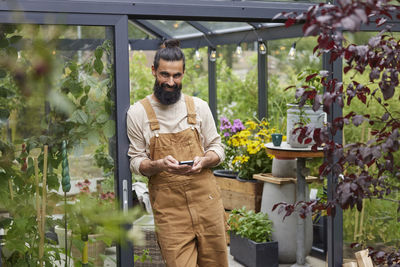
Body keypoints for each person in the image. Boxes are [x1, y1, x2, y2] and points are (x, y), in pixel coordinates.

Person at [127, 39, 229, 267]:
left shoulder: (199, 107)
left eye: (177, 76)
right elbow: (136, 161)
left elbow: (217, 148)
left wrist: (205, 160)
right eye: (164, 75)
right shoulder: (138, 113)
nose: (171, 82)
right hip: (170, 210)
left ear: (183, 73)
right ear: (153, 71)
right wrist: (159, 164)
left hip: (207, 202)